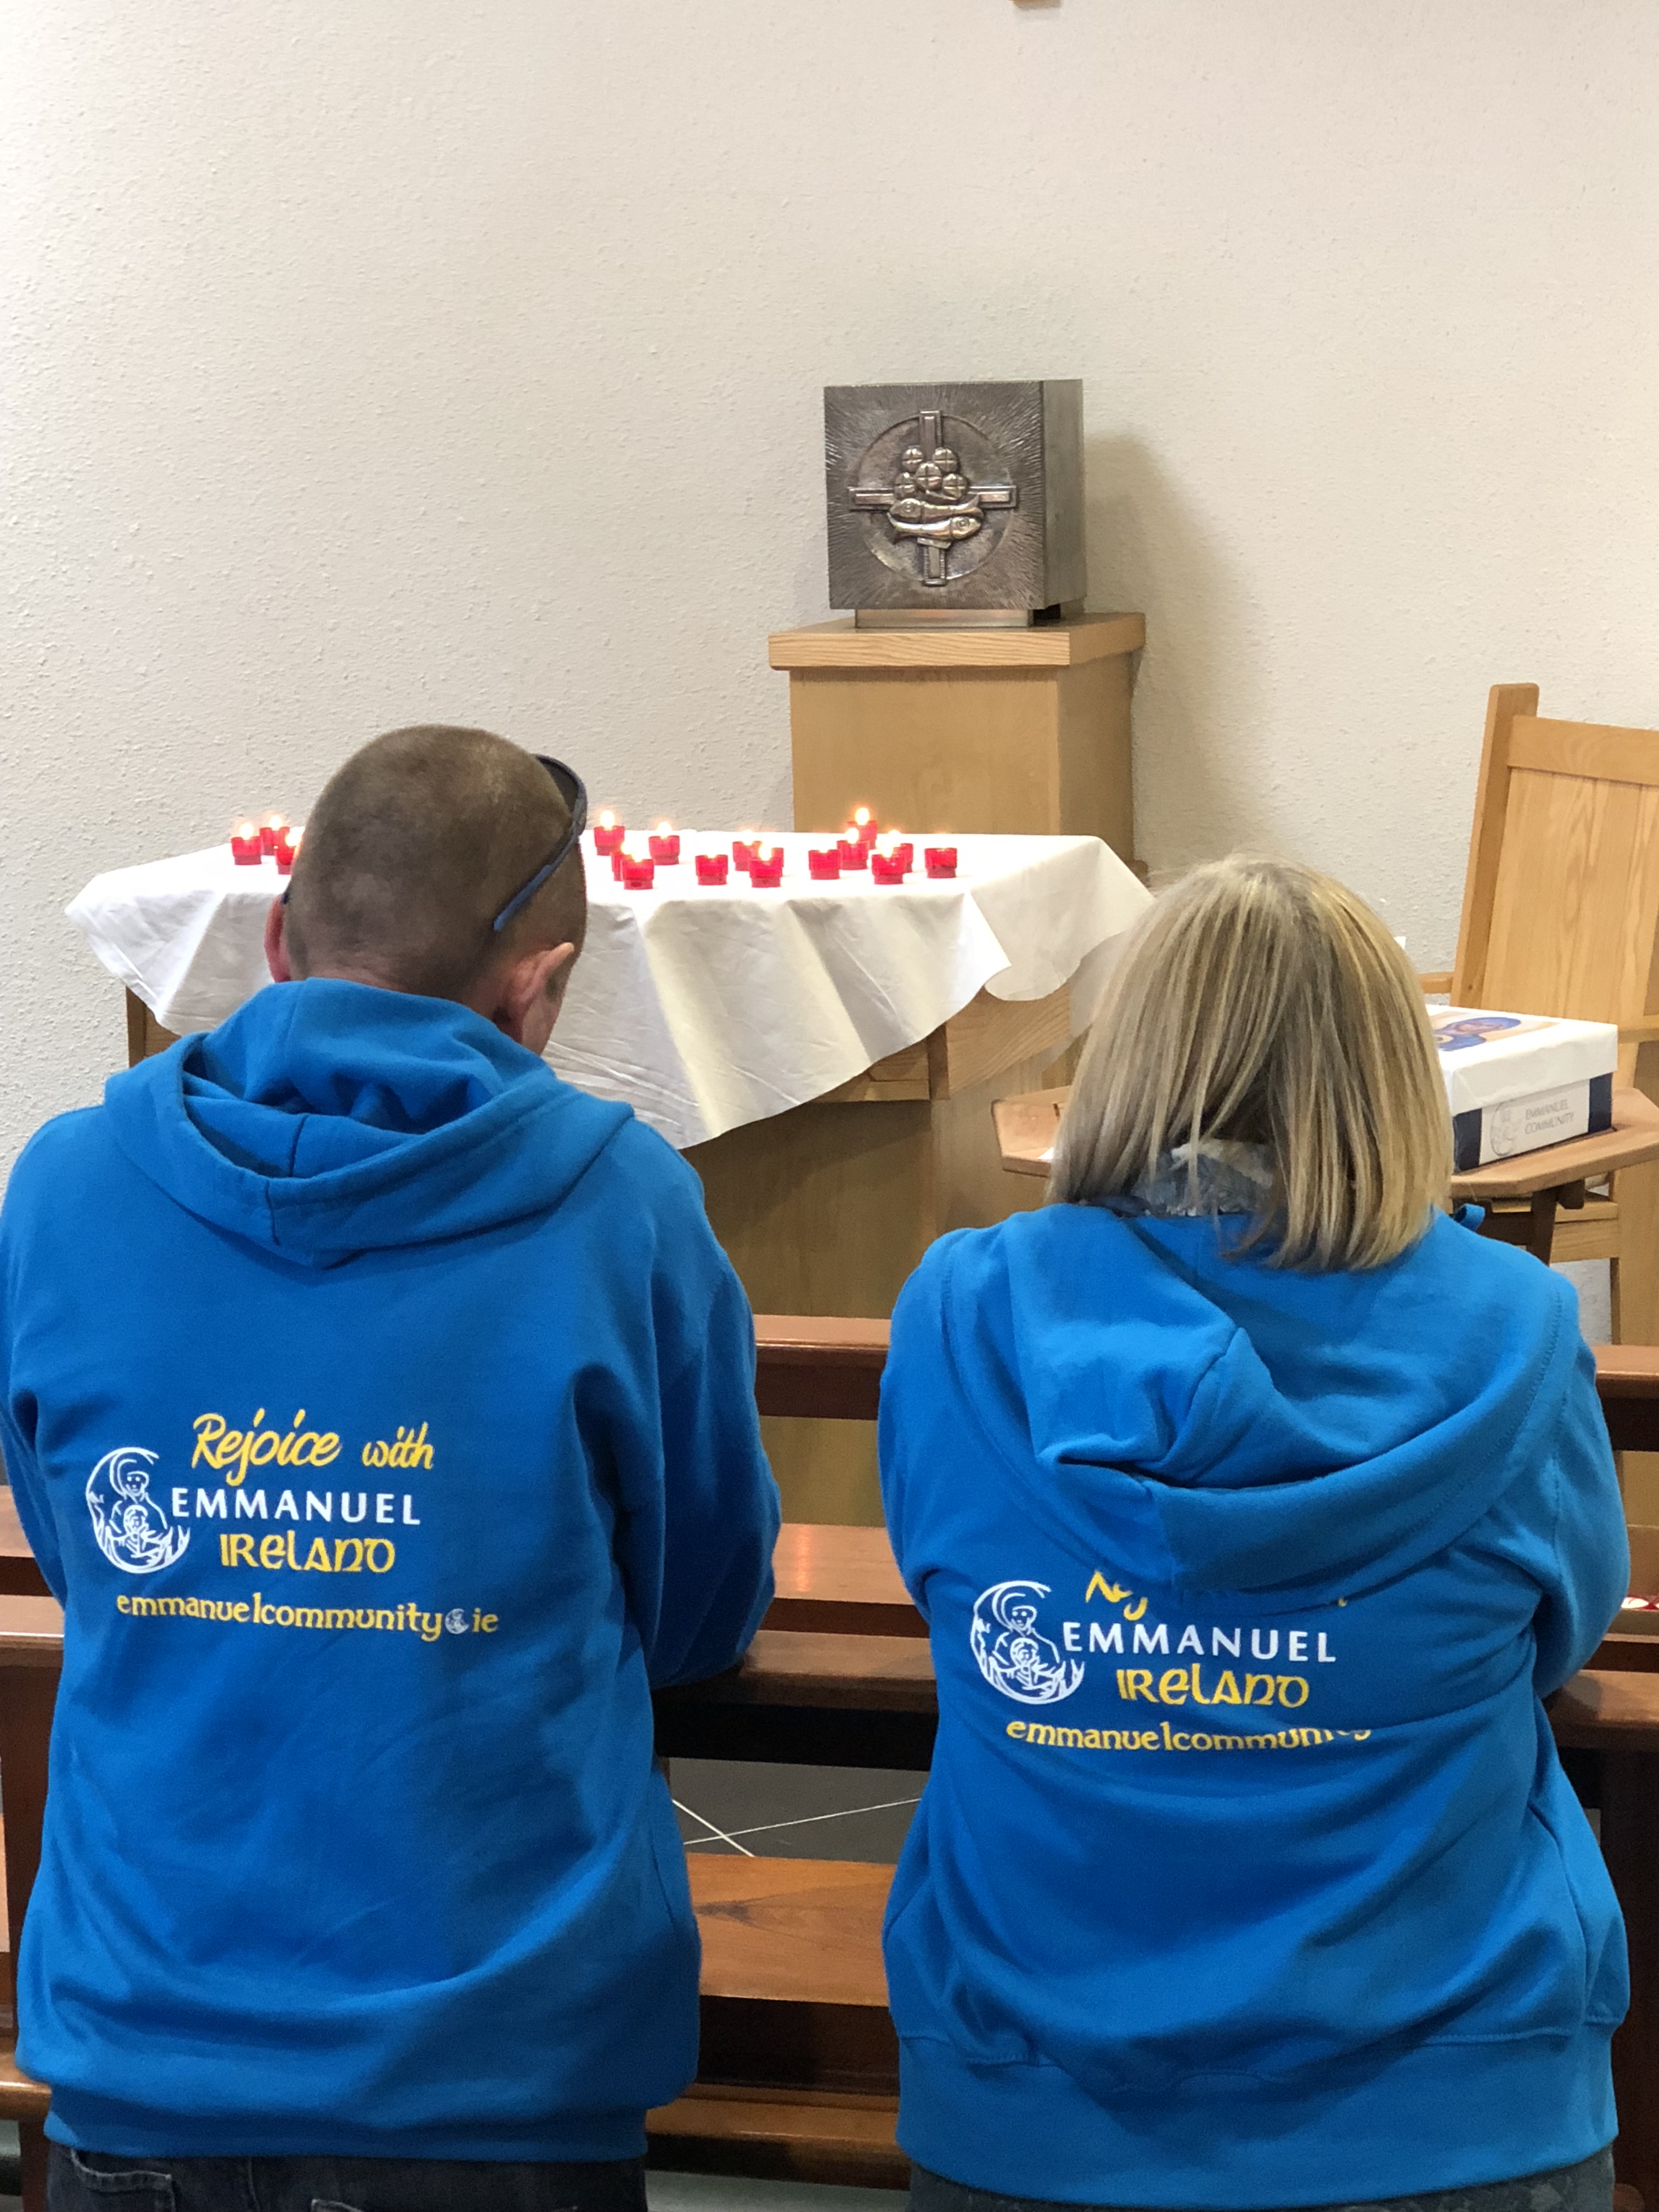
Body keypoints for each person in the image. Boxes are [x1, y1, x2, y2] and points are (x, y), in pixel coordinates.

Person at [0, 725, 781, 2212]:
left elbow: (83, 1554)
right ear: (539, 985)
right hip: (492, 2066)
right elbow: (699, 1607)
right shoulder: (622, 1210)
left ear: (277, 940)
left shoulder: (63, 1188)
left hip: (151, 2039)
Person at [878, 855, 1627, 2212]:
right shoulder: (1514, 1328)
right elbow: (1564, 1623)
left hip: (1040, 2099)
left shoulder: (963, 1315)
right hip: (1446, 2099)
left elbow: (941, 1573)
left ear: (1124, 1058)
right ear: (1393, 1080)